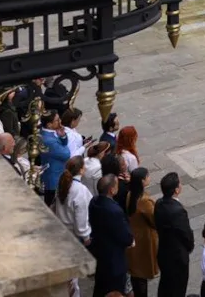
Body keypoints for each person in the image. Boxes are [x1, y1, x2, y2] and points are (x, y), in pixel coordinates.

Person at [90, 174, 134, 297]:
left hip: (100, 253)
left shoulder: (94, 202)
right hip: (114, 259)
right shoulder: (114, 211)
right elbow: (125, 235)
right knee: (115, 289)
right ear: (111, 190)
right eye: (117, 186)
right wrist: (130, 239)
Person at [53, 157, 91, 297]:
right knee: (72, 280)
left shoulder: (63, 184)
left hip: (63, 232)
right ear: (80, 170)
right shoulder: (80, 190)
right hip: (74, 237)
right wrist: (86, 238)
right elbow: (81, 220)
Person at [155, 172, 195, 297]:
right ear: (176, 190)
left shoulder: (159, 203)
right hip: (177, 257)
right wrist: (189, 246)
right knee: (178, 287)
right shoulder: (177, 211)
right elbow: (185, 233)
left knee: (166, 284)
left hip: (164, 252)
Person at [126, 167, 160, 297]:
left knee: (136, 272)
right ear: (142, 181)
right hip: (144, 239)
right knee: (142, 272)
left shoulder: (131, 194)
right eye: (147, 176)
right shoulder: (144, 201)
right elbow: (155, 220)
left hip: (135, 235)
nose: (149, 178)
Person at [39, 110, 72, 207]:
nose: (60, 121)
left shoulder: (49, 132)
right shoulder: (49, 140)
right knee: (52, 204)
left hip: (55, 174)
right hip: (54, 178)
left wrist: (63, 136)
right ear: (49, 124)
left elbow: (64, 143)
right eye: (57, 120)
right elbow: (66, 154)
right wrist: (64, 146)